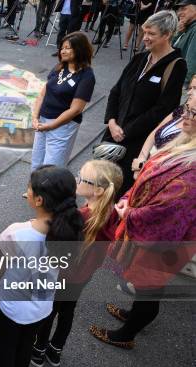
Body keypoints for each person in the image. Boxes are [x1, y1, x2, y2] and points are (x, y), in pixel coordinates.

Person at [89, 106, 196, 349]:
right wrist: (128, 197)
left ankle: (126, 335)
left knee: (150, 286)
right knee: (145, 283)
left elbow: (168, 211)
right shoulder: (186, 143)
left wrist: (129, 212)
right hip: (153, 230)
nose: (186, 116)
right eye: (188, 108)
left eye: (194, 113)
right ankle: (134, 315)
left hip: (163, 241)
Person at [0, 165, 84, 367]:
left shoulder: (18, 233)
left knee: (4, 344)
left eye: (28, 187)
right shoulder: (72, 230)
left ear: (38, 199)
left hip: (11, 305)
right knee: (26, 344)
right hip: (42, 305)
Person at [31, 160, 122, 367]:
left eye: (81, 178)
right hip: (83, 275)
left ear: (98, 190)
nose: (76, 180)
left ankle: (38, 350)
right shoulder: (112, 213)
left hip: (61, 274)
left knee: (49, 311)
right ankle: (55, 351)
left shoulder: (78, 217)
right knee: (67, 312)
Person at [102, 10, 187, 196]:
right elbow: (116, 91)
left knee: (118, 193)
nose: (145, 37)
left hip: (136, 143)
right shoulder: (139, 58)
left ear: (167, 35)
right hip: (112, 134)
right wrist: (111, 121)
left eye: (151, 34)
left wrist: (127, 131)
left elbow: (163, 109)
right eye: (144, 31)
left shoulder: (176, 65)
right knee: (98, 186)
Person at [31, 32, 96, 173]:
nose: (63, 51)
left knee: (52, 165)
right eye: (62, 48)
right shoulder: (59, 68)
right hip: (42, 121)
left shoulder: (86, 76)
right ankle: (35, 191)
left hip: (62, 126)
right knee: (37, 160)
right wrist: (35, 117)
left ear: (79, 49)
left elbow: (76, 109)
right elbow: (43, 93)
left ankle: (48, 194)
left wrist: (51, 125)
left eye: (67, 48)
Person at [132, 74, 196, 175]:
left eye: (195, 88)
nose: (189, 92)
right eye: (190, 87)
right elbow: (156, 131)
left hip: (153, 172)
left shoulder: (190, 134)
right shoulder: (182, 109)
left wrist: (143, 167)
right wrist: (141, 158)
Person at [173, 0, 196, 86]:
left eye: (183, 9)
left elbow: (190, 67)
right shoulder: (187, 27)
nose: (179, 13)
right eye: (178, 10)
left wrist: (180, 86)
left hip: (183, 86)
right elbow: (168, 51)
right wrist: (177, 33)